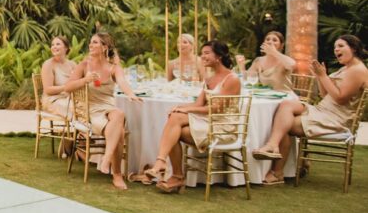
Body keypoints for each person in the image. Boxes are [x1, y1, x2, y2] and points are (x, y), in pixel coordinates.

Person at [253, 35, 368, 184]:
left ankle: (277, 171)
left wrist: (323, 76)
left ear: (353, 48)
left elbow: (340, 99)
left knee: (283, 124)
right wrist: (321, 77)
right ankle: (273, 146)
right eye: (335, 47)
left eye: (340, 46)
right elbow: (325, 94)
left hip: (335, 118)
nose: (336, 50)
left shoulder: (357, 70)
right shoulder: (347, 68)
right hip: (322, 110)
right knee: (287, 104)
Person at [144, 40, 242, 193]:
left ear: (219, 56)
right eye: (202, 53)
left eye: (207, 53)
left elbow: (215, 109)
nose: (202, 57)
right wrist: (180, 108)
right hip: (208, 121)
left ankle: (173, 174)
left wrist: (186, 111)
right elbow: (198, 104)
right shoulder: (209, 79)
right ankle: (164, 165)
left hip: (222, 127)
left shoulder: (232, 79)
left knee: (174, 129)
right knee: (175, 119)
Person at [63, 32, 142, 190]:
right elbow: (67, 87)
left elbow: (123, 82)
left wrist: (131, 94)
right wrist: (85, 80)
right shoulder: (84, 65)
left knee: (119, 114)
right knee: (118, 131)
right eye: (90, 42)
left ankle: (107, 158)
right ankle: (117, 174)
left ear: (104, 47)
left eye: (95, 43)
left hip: (107, 107)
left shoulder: (114, 67)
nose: (91, 45)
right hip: (89, 110)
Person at [40, 36, 76, 117]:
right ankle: (78, 128)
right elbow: (48, 89)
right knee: (75, 108)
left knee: (87, 106)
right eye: (52, 45)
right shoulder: (48, 64)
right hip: (52, 100)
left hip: (69, 98)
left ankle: (84, 128)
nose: (54, 47)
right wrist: (66, 87)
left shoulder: (72, 64)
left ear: (66, 48)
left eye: (58, 44)